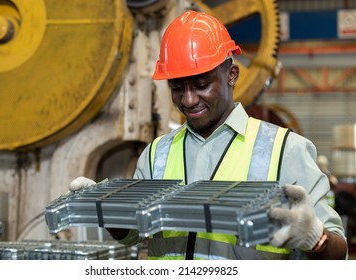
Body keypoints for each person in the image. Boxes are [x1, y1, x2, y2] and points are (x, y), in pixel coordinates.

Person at [70, 10, 347, 260]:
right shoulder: (156, 155)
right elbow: (133, 234)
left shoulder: (286, 150)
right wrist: (106, 210)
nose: (188, 100)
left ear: (232, 75)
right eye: (177, 88)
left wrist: (317, 239)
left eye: (202, 85)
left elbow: (339, 252)